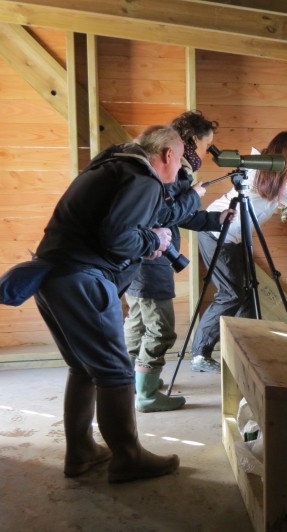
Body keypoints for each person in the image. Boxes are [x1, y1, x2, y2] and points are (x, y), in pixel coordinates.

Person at [34, 125, 186, 483]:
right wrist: (155, 237)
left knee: (84, 367)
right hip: (83, 280)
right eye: (180, 160)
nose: (179, 169)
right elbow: (118, 237)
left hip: (51, 275)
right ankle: (128, 457)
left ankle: (81, 451)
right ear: (166, 156)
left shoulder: (109, 166)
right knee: (116, 372)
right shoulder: (143, 180)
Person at [189, 131, 287, 373]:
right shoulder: (268, 175)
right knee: (231, 294)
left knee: (247, 291)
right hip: (218, 235)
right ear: (285, 155)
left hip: (230, 236)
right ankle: (200, 353)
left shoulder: (269, 173)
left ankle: (249, 346)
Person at [123, 110, 231, 413]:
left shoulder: (170, 167)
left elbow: (177, 214)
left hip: (137, 256)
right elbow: (161, 215)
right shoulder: (171, 170)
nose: (208, 154)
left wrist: (214, 218)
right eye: (207, 146)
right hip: (151, 256)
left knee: (138, 321)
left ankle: (134, 380)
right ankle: (146, 395)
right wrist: (195, 196)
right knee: (161, 328)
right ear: (192, 140)